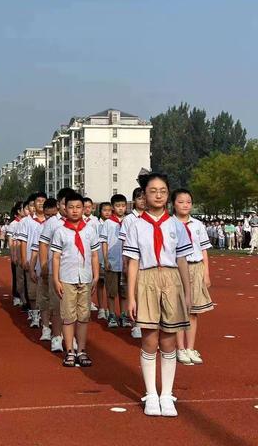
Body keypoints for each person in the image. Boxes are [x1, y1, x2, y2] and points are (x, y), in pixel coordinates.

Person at [124, 173, 193, 417]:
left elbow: (182, 259)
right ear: (144, 195)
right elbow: (132, 262)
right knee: (150, 339)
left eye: (163, 190)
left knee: (169, 340)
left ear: (168, 194)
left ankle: (167, 394)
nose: (158, 195)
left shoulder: (176, 225)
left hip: (171, 279)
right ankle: (151, 393)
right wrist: (131, 296)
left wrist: (187, 291)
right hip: (146, 278)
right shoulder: (135, 225)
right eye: (153, 191)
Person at [51, 192, 100, 367]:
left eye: (78, 207)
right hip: (67, 278)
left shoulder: (90, 230)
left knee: (83, 316)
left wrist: (96, 275)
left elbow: (94, 255)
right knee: (68, 316)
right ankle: (70, 350)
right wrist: (56, 280)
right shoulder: (60, 231)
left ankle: (82, 350)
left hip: (85, 278)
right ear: (65, 208)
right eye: (71, 207)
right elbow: (56, 257)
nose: (74, 211)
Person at [172, 189, 213, 366]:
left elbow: (203, 250)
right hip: (177, 269)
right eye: (181, 202)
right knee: (179, 310)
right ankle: (180, 348)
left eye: (188, 202)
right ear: (173, 204)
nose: (185, 205)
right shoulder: (170, 224)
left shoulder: (198, 225)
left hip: (196, 267)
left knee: (194, 311)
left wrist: (206, 273)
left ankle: (190, 347)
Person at [39, 187, 74, 352]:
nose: (68, 207)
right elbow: (44, 244)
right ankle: (56, 336)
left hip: (75, 272)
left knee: (72, 307)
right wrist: (45, 264)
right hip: (57, 271)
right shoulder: (52, 222)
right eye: (64, 203)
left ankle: (71, 337)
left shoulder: (79, 223)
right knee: (57, 305)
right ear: (59, 204)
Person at [100, 194, 131, 328]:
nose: (120, 209)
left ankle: (124, 314)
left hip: (125, 262)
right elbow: (104, 242)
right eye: (117, 206)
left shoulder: (130, 221)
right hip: (112, 261)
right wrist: (106, 259)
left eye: (123, 206)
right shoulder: (108, 223)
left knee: (124, 291)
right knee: (111, 291)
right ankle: (112, 314)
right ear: (113, 207)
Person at [119, 187, 146, 339]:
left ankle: (144, 322)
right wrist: (125, 263)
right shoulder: (129, 220)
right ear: (134, 201)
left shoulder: (150, 216)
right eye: (139, 198)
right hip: (133, 261)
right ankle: (136, 324)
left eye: (144, 198)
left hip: (148, 262)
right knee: (135, 293)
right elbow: (124, 242)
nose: (142, 201)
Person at [30, 197, 58, 342]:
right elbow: (35, 249)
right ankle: (46, 327)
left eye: (54, 215)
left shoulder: (61, 225)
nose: (50, 218)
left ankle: (58, 331)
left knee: (57, 302)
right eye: (48, 215)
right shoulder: (40, 227)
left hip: (59, 271)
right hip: (44, 270)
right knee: (45, 299)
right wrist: (33, 268)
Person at [17, 193, 44, 328]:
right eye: (37, 201)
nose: (40, 204)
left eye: (43, 201)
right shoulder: (26, 221)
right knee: (32, 290)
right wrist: (23, 259)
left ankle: (45, 315)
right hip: (30, 259)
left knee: (46, 291)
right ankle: (34, 314)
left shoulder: (51, 220)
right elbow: (23, 242)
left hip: (46, 262)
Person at [95, 202, 112, 320]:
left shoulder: (114, 224)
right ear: (100, 211)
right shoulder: (95, 224)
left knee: (110, 285)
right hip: (99, 257)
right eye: (104, 210)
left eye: (109, 210)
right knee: (100, 283)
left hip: (111, 259)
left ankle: (108, 308)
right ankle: (101, 308)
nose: (107, 212)